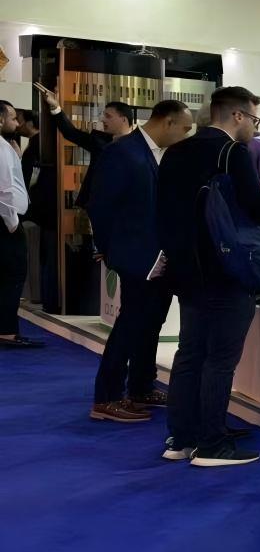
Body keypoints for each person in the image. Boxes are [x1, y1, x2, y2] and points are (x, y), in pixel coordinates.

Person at [156, 87, 260, 467]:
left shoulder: (175, 152)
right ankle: (212, 445)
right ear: (237, 116)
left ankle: (181, 438)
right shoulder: (232, 153)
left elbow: (161, 210)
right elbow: (258, 208)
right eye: (253, 118)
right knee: (220, 359)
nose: (254, 127)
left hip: (187, 270)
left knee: (189, 353)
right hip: (226, 270)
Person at [85, 99, 195, 423]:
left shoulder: (156, 153)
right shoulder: (122, 152)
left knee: (151, 322)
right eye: (185, 128)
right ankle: (107, 397)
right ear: (168, 122)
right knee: (131, 324)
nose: (186, 135)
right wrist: (111, 252)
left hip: (158, 257)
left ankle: (141, 386)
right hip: (135, 257)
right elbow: (100, 206)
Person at [41, 91, 134, 210]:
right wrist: (55, 107)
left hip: (120, 210)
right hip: (92, 206)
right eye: (103, 116)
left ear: (124, 120)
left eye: (108, 116)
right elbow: (70, 133)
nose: (103, 120)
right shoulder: (100, 140)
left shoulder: (139, 146)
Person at [0, 100, 41, 349]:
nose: (17, 124)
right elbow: (4, 189)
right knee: (12, 275)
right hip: (6, 222)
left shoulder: (6, 148)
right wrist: (12, 222)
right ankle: (6, 331)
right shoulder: (2, 148)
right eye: (13, 118)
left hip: (6, 220)